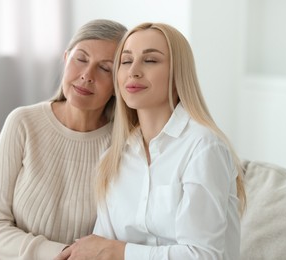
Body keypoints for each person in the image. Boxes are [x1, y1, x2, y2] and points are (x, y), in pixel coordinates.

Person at [55, 22, 246, 260]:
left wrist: (117, 252)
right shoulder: (113, 159)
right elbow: (98, 249)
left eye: (151, 60)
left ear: (178, 75)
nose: (133, 71)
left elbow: (202, 255)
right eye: (125, 61)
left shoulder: (203, 147)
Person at [0, 19, 127, 259]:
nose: (87, 75)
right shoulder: (23, 122)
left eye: (105, 68)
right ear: (66, 58)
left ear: (118, 83)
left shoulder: (123, 145)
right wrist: (64, 253)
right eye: (81, 59)